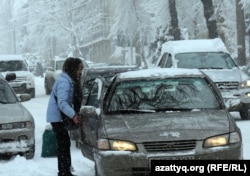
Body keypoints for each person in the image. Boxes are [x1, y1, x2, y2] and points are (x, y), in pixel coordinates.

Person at [46, 57, 83, 176]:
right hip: (57, 118)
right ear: (72, 69)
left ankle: (65, 171)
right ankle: (63, 172)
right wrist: (73, 115)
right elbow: (62, 103)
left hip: (59, 117)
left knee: (64, 144)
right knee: (63, 145)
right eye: (79, 69)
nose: (80, 72)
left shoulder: (67, 80)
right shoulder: (64, 82)